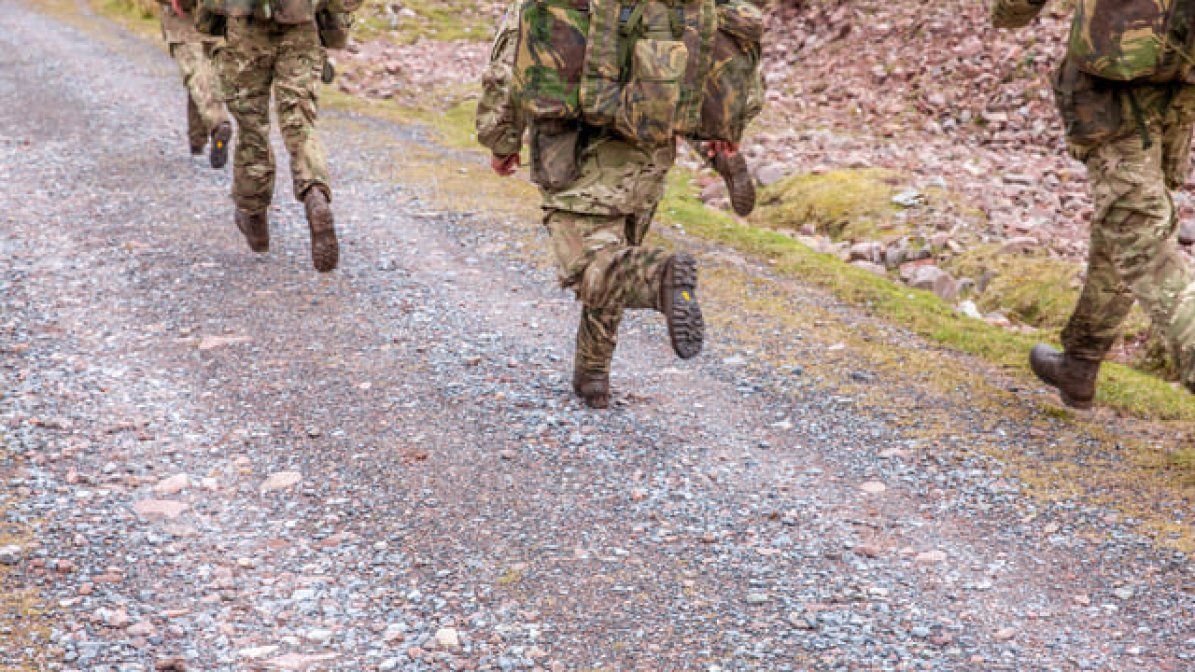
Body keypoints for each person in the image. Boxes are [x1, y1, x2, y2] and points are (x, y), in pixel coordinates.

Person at [476, 1, 706, 409]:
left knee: (589, 266)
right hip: (650, 148)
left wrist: (501, 140)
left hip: (575, 148)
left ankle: (660, 277)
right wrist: (719, 141)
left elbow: (510, 64)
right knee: (615, 260)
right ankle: (593, 375)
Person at [992, 0, 1195, 408]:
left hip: (1114, 85)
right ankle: (1080, 361)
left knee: (1141, 240)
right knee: (1126, 221)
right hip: (1180, 76)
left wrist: (1007, 13)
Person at [201, 0, 338, 273]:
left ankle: (253, 214)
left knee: (252, 126)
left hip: (245, 28)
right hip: (302, 24)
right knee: (300, 120)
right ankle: (314, 190)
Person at [158, 0, 231, 168]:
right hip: (216, 19)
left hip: (187, 20)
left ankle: (217, 124)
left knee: (197, 74)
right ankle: (198, 139)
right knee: (204, 75)